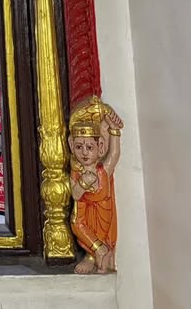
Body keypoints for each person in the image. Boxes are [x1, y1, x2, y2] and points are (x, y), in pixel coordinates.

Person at [68, 96, 123, 274]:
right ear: (71, 145)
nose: (84, 153)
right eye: (79, 147)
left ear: (100, 147)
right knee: (76, 222)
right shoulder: (76, 172)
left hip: (103, 215)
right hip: (84, 217)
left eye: (89, 148)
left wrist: (114, 130)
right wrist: (83, 183)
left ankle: (98, 252)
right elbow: (76, 194)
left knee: (97, 230)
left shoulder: (103, 171)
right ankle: (95, 252)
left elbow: (114, 154)